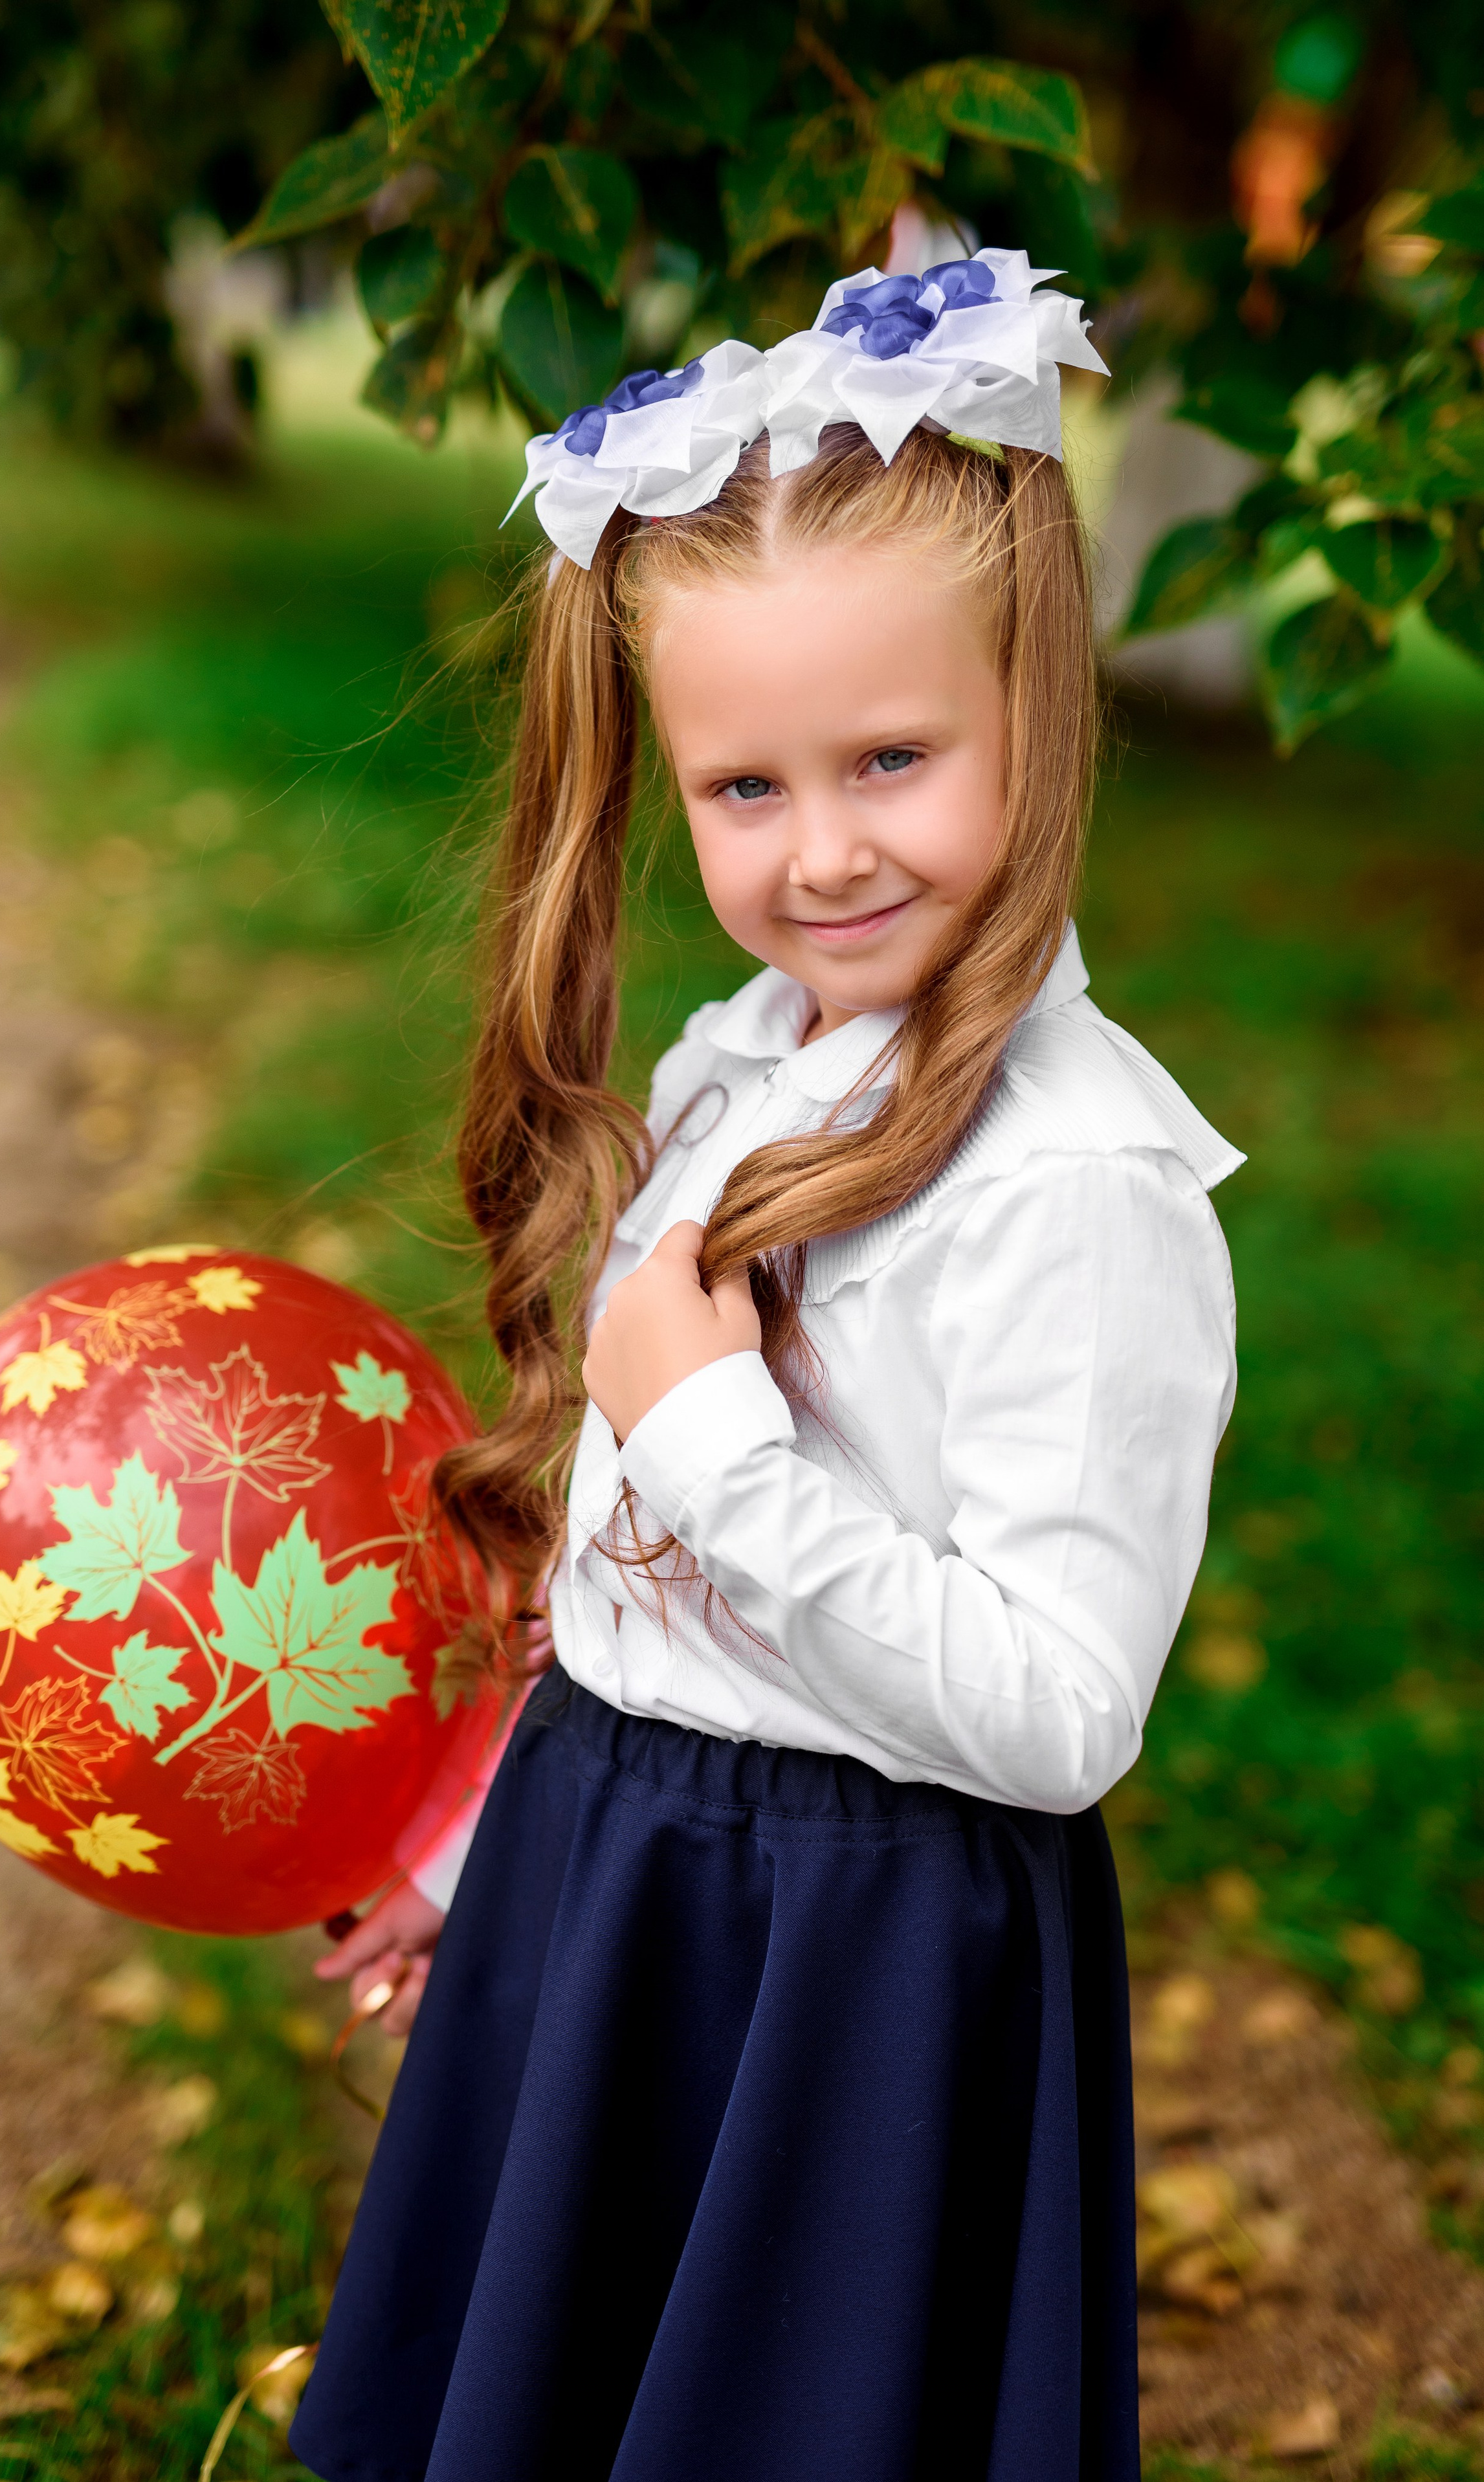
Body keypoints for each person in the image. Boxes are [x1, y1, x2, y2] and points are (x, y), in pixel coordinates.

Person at [290, 252, 1241, 2482]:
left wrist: (717, 1430)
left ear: (1041, 715)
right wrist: (484, 1837)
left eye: (894, 760)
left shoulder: (1078, 1185)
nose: (822, 853)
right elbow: (642, 1578)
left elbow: (1058, 1710)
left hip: (863, 1961)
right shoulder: (745, 1062)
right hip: (622, 1867)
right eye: (742, 789)